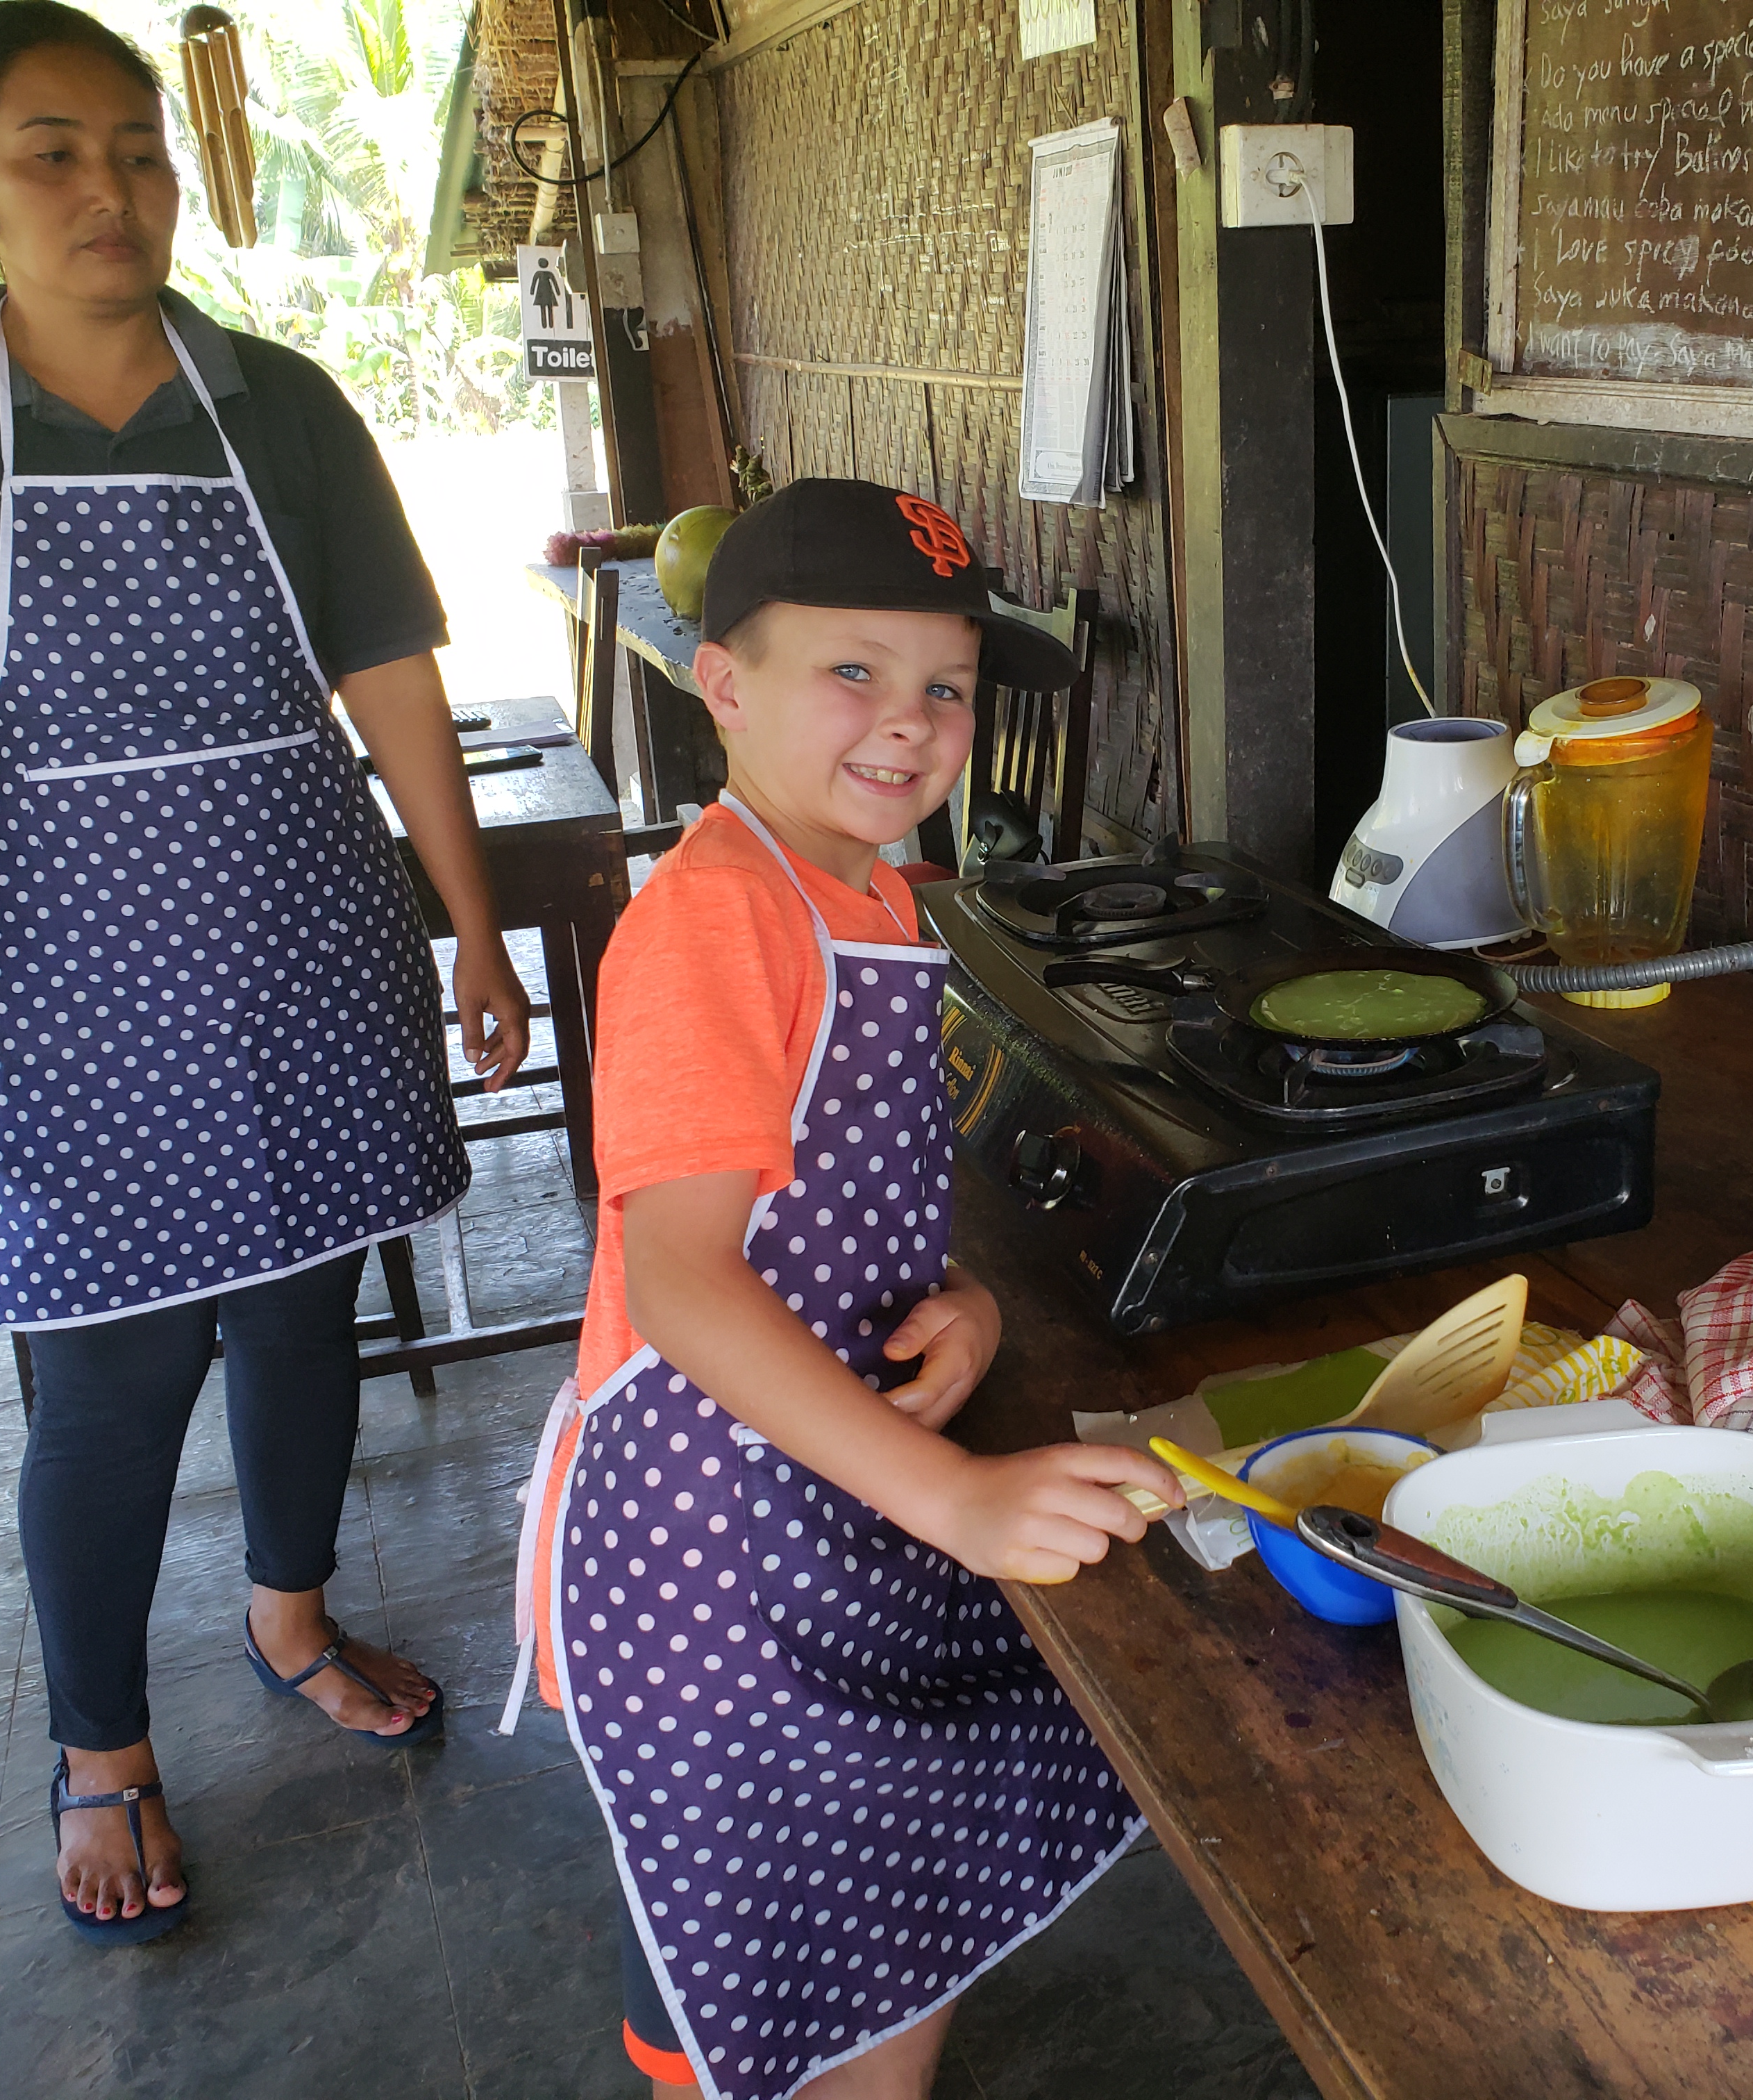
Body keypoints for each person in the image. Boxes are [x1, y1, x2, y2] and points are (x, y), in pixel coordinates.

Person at [0, 1, 530, 1944]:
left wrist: (468, 926)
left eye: (139, 148)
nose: (109, 189)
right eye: (53, 152)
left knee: (300, 1318)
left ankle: (292, 1614)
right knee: (110, 1381)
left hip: (299, 929)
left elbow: (391, 681)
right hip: (59, 972)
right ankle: (102, 1745)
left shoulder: (275, 401)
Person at [503, 477, 1182, 2099]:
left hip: (827, 1491)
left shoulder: (870, 888)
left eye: (945, 683)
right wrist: (957, 1502)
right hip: (710, 1560)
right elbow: (681, 1283)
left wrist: (969, 1295)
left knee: (898, 1879)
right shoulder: (716, 919)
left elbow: (824, 1184)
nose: (910, 723)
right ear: (721, 683)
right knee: (757, 1948)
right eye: (853, 672)